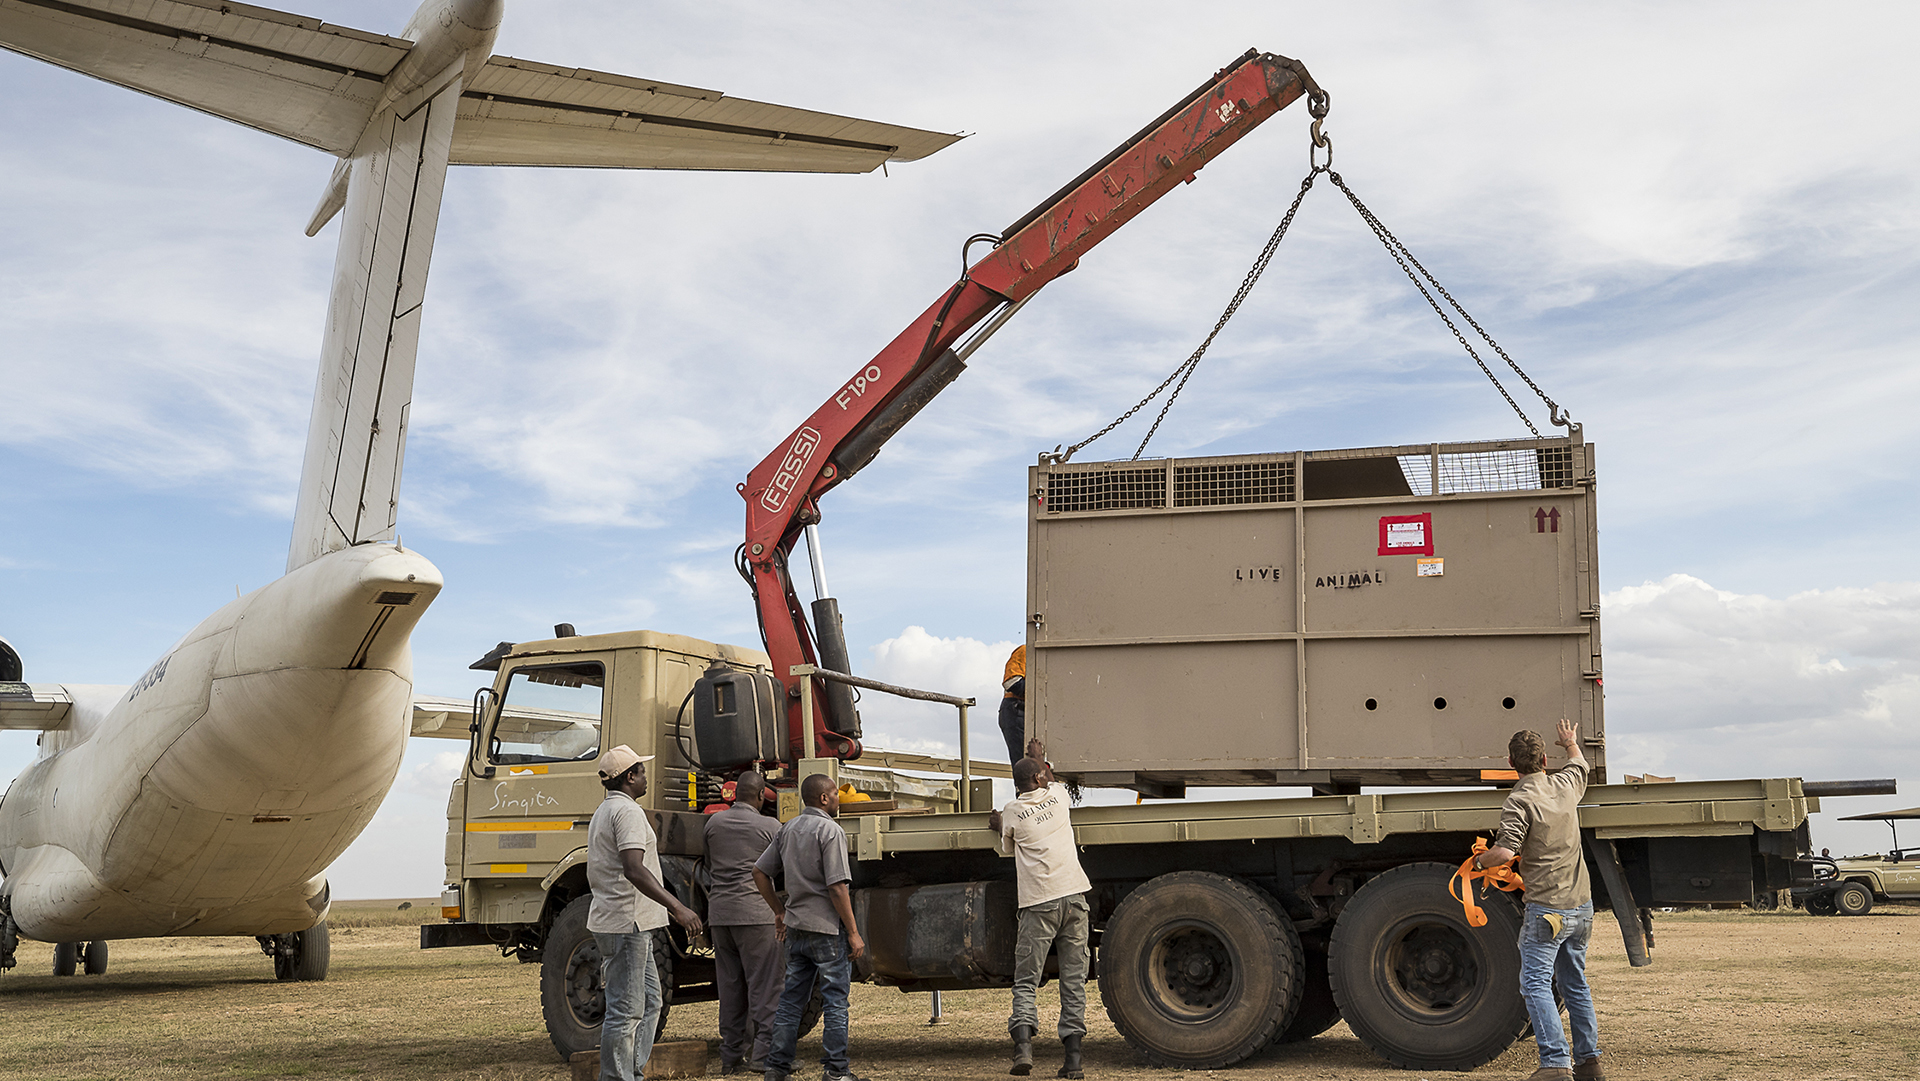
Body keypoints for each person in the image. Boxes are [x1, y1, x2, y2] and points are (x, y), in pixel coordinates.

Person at [1473, 720, 1603, 1081]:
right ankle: (1589, 1062)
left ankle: (1555, 1063)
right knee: (1574, 982)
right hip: (1581, 907)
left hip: (1548, 909)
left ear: (1511, 763)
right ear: (1545, 758)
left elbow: (1504, 853)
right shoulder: (1565, 786)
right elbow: (1580, 764)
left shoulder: (1519, 800)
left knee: (1534, 983)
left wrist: (1477, 861)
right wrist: (1571, 742)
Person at [589, 745, 705, 1081]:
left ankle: (632, 1072)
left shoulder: (606, 810)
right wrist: (678, 906)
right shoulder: (626, 813)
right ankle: (617, 1077)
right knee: (626, 1011)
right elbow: (634, 869)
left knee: (651, 1001)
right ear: (629, 777)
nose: (645, 778)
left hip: (627, 922)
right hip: (627, 923)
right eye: (641, 772)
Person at [752, 773, 868, 1081]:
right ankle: (836, 1070)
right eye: (835, 793)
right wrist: (854, 932)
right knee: (835, 1002)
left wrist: (779, 911)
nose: (839, 798)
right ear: (824, 799)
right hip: (827, 929)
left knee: (791, 1000)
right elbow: (837, 887)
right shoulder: (830, 831)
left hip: (796, 927)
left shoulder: (787, 828)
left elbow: (760, 872)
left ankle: (776, 1068)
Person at [989, 740, 1091, 1079]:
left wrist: (996, 823)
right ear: (1038, 776)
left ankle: (1023, 1049)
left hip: (1038, 904)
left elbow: (1006, 846)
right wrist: (1036, 755)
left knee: (1027, 979)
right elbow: (1047, 774)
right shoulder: (1059, 798)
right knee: (1073, 979)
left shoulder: (1013, 812)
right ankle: (1073, 1060)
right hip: (1074, 896)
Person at [704, 771, 782, 1075]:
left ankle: (731, 1058)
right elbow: (778, 869)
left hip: (721, 916)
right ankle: (764, 1056)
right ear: (762, 795)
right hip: (757, 916)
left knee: (731, 988)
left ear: (735, 795)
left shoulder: (714, 823)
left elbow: (709, 864)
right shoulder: (770, 827)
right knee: (766, 989)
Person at [999, 644, 1027, 767]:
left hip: (1026, 711)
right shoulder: (1026, 651)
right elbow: (1012, 683)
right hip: (1016, 710)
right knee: (1024, 764)